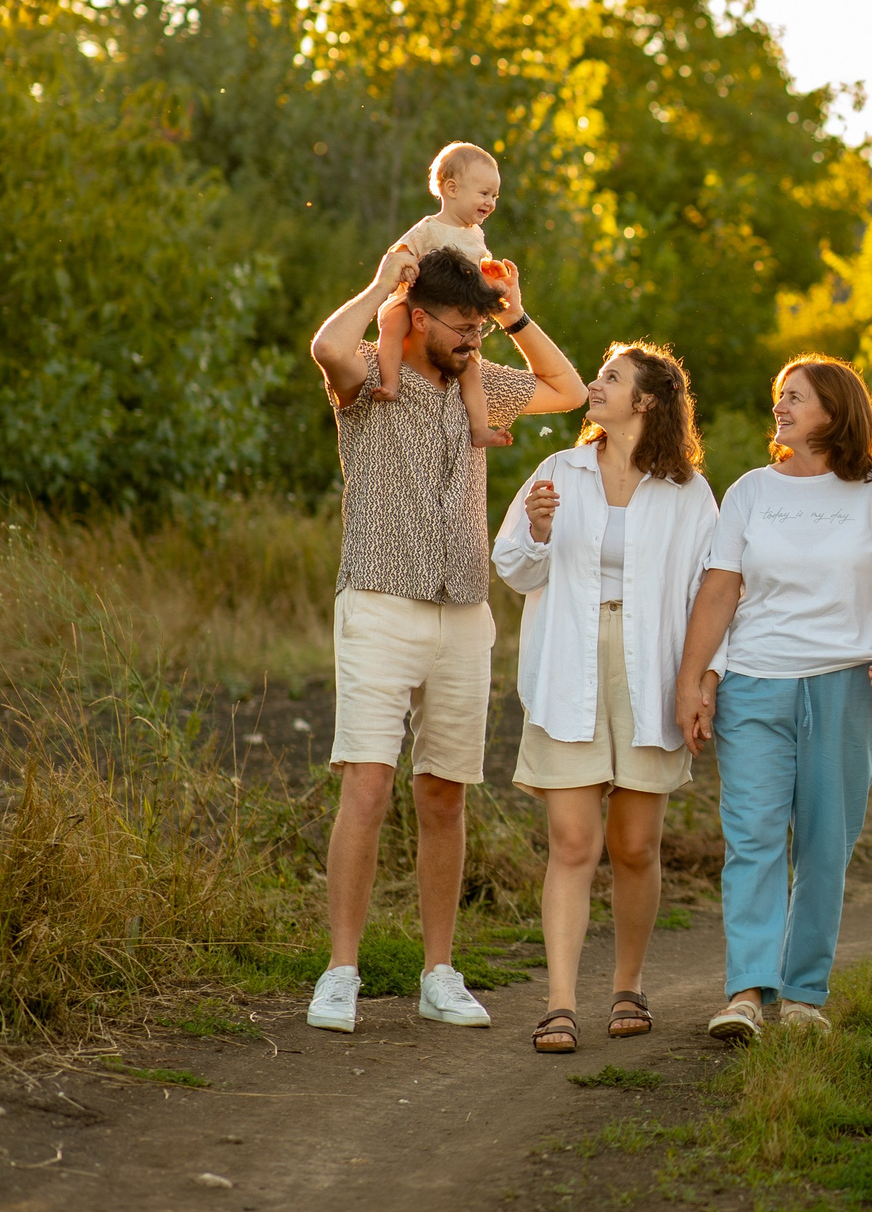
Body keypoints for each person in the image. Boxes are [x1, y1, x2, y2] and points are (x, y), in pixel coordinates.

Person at [305, 246, 589, 1034]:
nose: (475, 340)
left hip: (464, 607)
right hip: (379, 600)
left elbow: (568, 392)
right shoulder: (371, 368)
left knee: (445, 792)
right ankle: (341, 971)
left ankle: (440, 971)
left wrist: (515, 313)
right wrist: (379, 285)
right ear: (419, 314)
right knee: (366, 785)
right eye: (463, 327)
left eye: (481, 328)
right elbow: (325, 346)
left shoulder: (483, 382)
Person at [674, 356, 872, 1043]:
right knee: (753, 838)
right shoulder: (750, 491)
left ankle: (803, 995)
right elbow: (720, 592)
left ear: (834, 409)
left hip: (849, 683)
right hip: (756, 683)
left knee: (825, 843)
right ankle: (744, 993)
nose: (781, 406)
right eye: (779, 396)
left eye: (795, 396)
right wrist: (693, 678)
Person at [492, 342, 719, 1054]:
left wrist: (702, 680)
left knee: (633, 843)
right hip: (569, 664)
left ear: (647, 402)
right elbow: (514, 568)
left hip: (651, 668)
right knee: (572, 841)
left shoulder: (689, 493)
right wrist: (537, 528)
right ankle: (559, 1001)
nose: (595, 385)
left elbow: (711, 595)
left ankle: (628, 981)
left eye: (611, 378)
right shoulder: (558, 472)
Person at [374, 142, 514, 450]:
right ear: (451, 188)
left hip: (454, 319)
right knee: (394, 322)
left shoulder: (476, 237)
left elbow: (480, 274)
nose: (490, 202)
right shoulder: (428, 228)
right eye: (484, 193)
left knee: (472, 370)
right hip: (417, 301)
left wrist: (497, 285)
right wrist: (407, 267)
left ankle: (479, 429)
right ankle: (390, 381)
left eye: (494, 196)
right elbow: (399, 252)